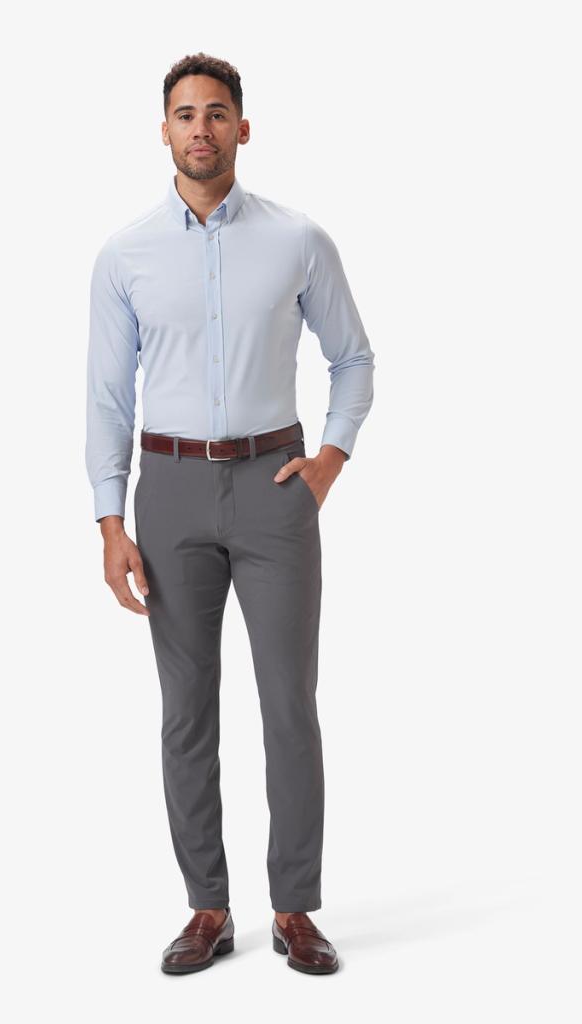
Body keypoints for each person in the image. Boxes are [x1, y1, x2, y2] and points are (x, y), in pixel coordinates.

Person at [84, 52, 374, 975]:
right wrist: (110, 522)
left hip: (273, 486)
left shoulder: (298, 240)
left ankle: (295, 908)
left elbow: (353, 359)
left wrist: (328, 462)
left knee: (289, 704)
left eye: (216, 113)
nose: (201, 128)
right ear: (163, 132)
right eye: (185, 114)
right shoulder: (125, 255)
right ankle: (207, 906)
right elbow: (106, 397)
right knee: (186, 712)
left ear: (242, 129)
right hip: (168, 491)